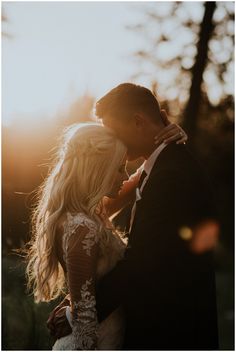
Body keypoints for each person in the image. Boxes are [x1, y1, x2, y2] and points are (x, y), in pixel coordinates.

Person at [27, 120, 186, 350]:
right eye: (119, 168)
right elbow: (84, 323)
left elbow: (144, 174)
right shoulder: (81, 226)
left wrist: (170, 139)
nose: (125, 175)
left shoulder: (89, 213)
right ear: (98, 170)